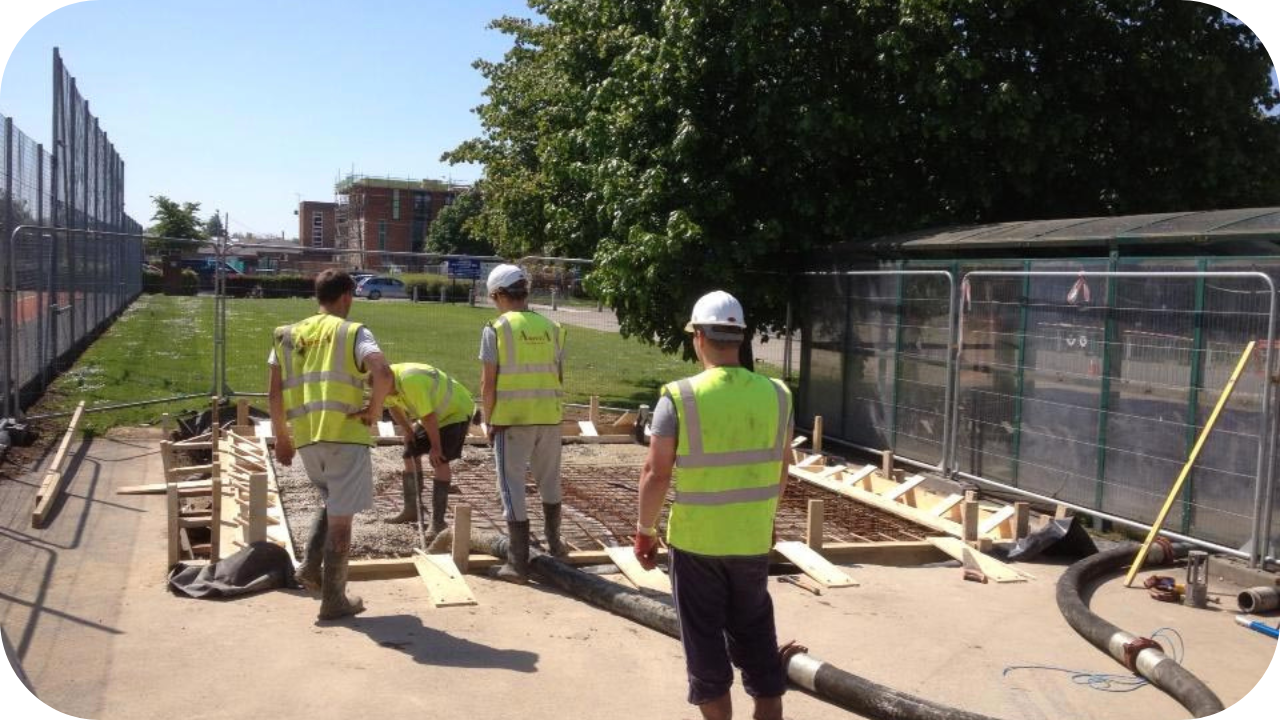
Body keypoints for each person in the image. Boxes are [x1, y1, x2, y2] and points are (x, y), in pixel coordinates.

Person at [634, 291, 793, 720]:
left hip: (697, 546)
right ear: (740, 337)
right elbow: (782, 467)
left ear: (698, 337)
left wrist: (645, 532)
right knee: (760, 653)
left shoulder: (679, 397)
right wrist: (766, 519)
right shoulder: (778, 394)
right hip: (752, 542)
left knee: (706, 660)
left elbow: (656, 473)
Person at [267, 269, 393, 621]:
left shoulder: (287, 335)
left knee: (331, 501)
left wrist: (282, 437)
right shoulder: (353, 331)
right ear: (347, 296)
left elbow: (274, 393)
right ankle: (334, 599)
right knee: (341, 523)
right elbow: (383, 373)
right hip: (346, 436)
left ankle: (310, 566)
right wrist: (375, 410)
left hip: (308, 439)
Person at [479, 263, 568, 583]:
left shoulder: (496, 329)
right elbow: (558, 375)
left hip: (512, 421)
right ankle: (556, 544)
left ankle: (517, 563)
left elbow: (488, 384)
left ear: (500, 295)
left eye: (493, 298)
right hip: (549, 417)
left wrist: (489, 420)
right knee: (550, 480)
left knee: (512, 486)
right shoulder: (552, 327)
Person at [382, 362, 477, 542]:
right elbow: (393, 407)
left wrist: (436, 447)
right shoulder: (383, 381)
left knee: (439, 459)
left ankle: (438, 522)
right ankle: (412, 509)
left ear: (389, 381)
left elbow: (428, 417)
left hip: (454, 412)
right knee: (409, 455)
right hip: (434, 415)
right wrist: (408, 432)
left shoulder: (411, 380)